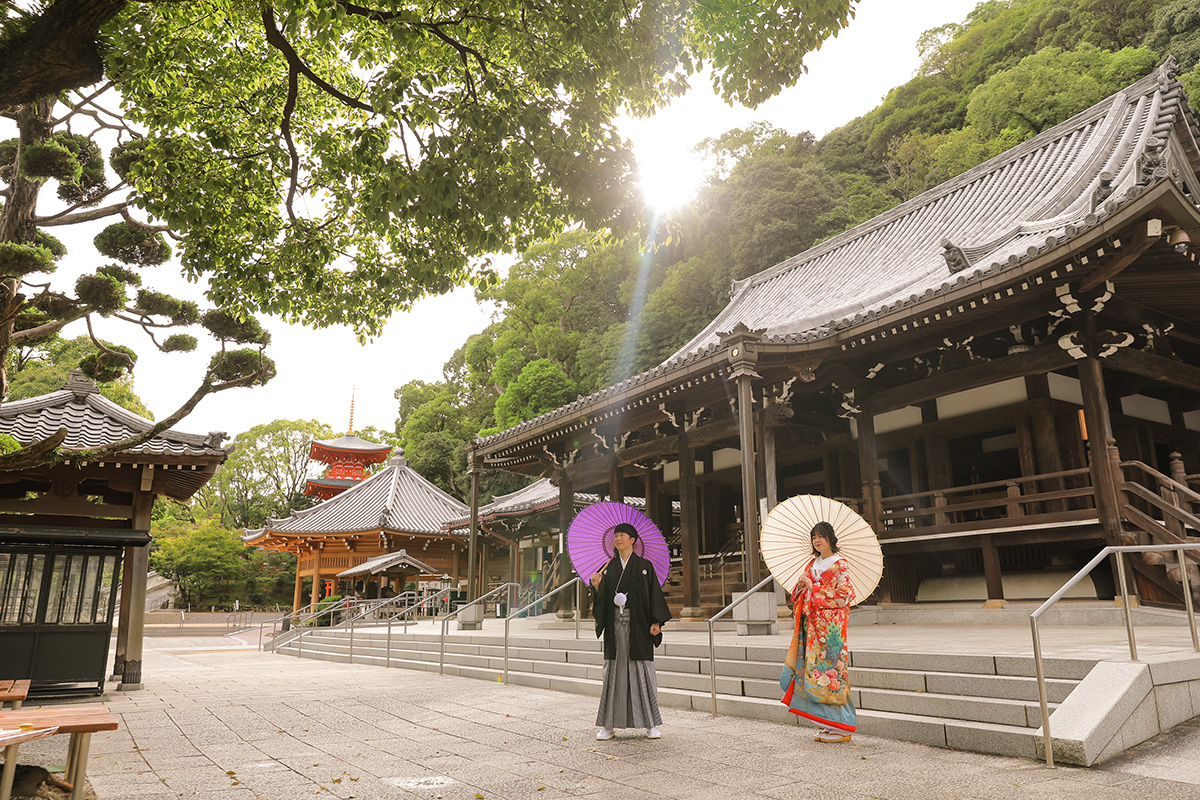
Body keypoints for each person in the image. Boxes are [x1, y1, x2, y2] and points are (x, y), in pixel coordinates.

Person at [589, 522, 672, 740]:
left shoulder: (645, 566)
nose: (617, 539)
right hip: (615, 627)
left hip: (639, 627)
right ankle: (608, 725)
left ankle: (651, 723)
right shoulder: (608, 567)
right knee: (614, 673)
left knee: (642, 672)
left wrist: (657, 622)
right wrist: (597, 586)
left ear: (632, 540)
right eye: (615, 536)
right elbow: (602, 602)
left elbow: (654, 594)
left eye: (622, 535)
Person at [780, 520, 857, 743]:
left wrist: (814, 587)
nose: (817, 540)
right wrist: (802, 584)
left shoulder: (840, 564)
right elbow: (800, 595)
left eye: (821, 536)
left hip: (831, 628)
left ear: (830, 539)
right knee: (812, 672)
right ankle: (827, 722)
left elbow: (844, 596)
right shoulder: (812, 563)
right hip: (812, 625)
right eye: (814, 537)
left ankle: (843, 726)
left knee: (831, 673)